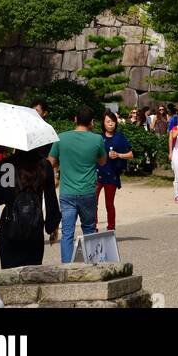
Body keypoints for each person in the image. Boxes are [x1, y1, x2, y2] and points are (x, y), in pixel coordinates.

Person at [48, 109, 107, 263]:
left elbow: (51, 162)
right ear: (92, 122)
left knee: (67, 232)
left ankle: (67, 265)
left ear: (75, 119)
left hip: (67, 192)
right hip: (88, 191)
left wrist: (56, 173)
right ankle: (92, 262)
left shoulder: (61, 138)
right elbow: (102, 161)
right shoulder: (97, 139)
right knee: (89, 229)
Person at [0, 150, 60, 268]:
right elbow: (50, 199)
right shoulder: (43, 165)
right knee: (32, 275)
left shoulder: (8, 165)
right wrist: (52, 226)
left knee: (9, 275)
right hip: (34, 226)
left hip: (10, 223)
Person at [96, 110, 133, 231]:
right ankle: (92, 227)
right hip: (97, 174)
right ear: (103, 123)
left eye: (112, 121)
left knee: (109, 204)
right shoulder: (98, 138)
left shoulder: (120, 137)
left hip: (112, 174)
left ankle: (111, 228)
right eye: (108, 121)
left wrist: (118, 155)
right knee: (92, 202)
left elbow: (130, 154)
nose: (110, 124)